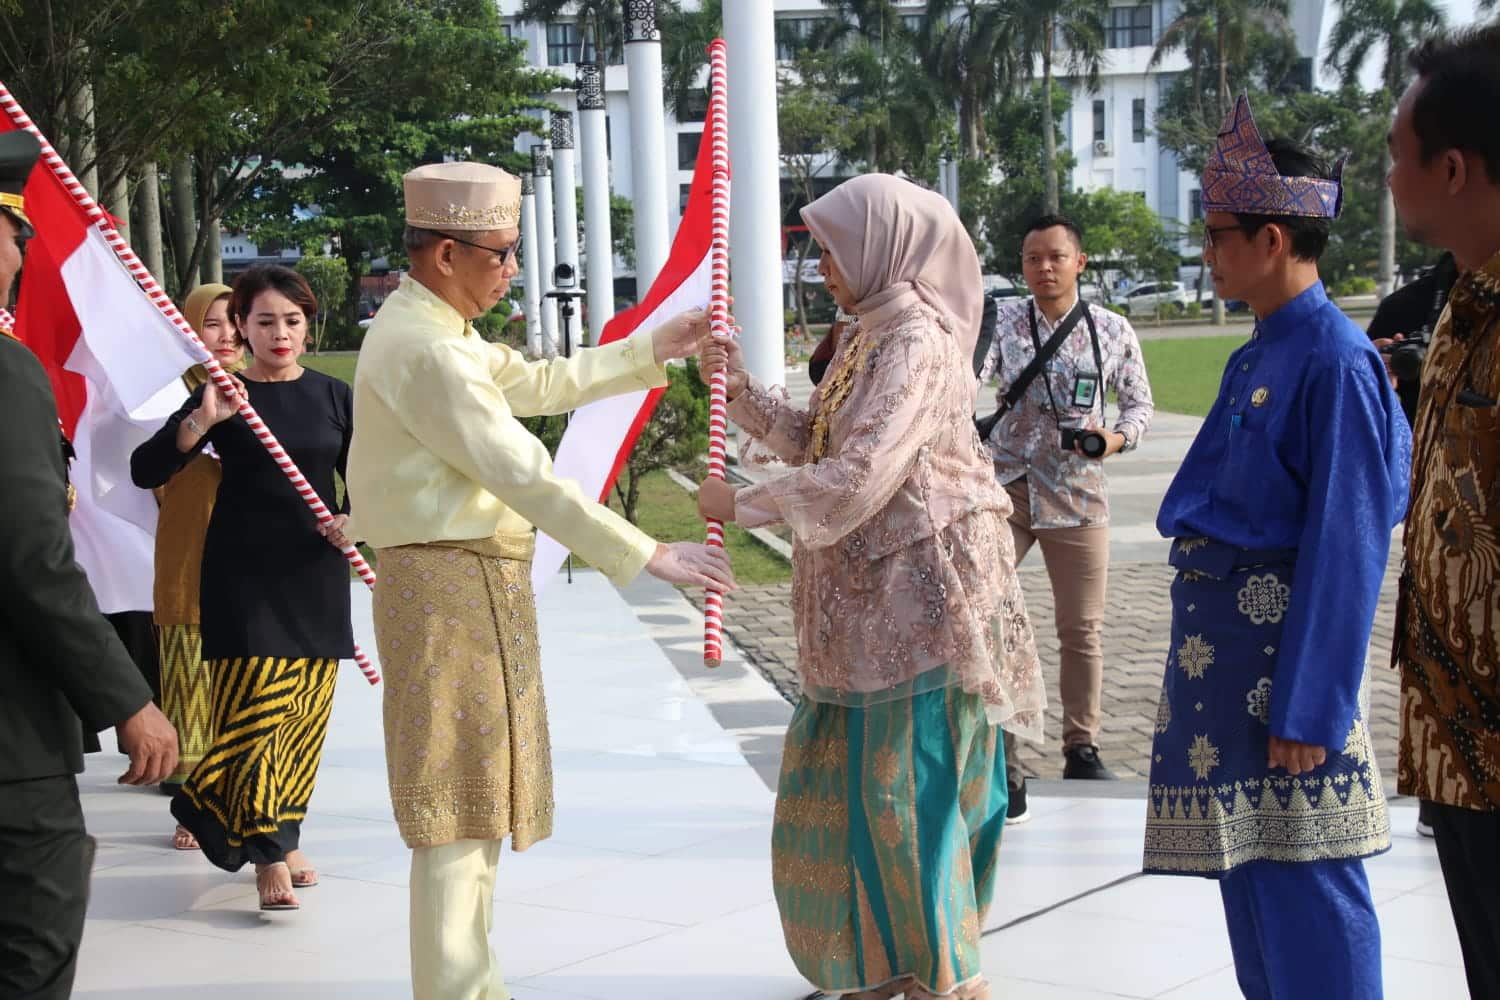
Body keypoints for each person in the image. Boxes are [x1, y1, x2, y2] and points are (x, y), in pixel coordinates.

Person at [346, 160, 736, 1000]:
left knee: (477, 798)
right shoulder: (428, 349)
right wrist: (648, 554)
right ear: (445, 252)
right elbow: (527, 474)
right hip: (449, 587)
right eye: (502, 252)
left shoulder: (431, 327)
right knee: (457, 802)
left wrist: (647, 351)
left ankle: (472, 982)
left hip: (464, 584)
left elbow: (526, 383)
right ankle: (456, 988)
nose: (513, 269)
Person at [697, 173, 1045, 1000]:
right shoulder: (868, 334)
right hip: (863, 600)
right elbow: (816, 439)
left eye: (831, 249)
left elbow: (860, 474)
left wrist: (742, 504)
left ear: (882, 245)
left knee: (909, 787)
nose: (823, 267)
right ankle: (883, 961)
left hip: (919, 599)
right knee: (863, 782)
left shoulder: (918, 341)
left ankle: (945, 975)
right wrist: (741, 387)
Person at [1145, 96, 1410, 1000]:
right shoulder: (1255, 355)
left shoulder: (1336, 360)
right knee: (1254, 887)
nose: (1208, 251)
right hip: (1226, 670)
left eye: (1219, 233)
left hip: (1280, 681)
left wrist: (1313, 704)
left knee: (1310, 887)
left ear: (1271, 240)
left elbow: (1350, 545)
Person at [0, 128, 179, 1000]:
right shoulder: (4, 373)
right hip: (10, 747)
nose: (24, 250)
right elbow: (32, 559)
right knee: (28, 953)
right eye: (14, 231)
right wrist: (127, 702)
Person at [132, 265, 354, 911]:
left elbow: (366, 481)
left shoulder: (336, 397)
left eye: (292, 320)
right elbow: (146, 467)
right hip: (241, 577)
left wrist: (353, 522)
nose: (280, 333)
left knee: (301, 722)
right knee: (254, 717)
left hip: (314, 575)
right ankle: (269, 857)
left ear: (309, 325)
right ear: (241, 328)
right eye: (264, 321)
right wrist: (200, 420)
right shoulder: (223, 392)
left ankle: (245, 818)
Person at [1386, 23, 1500, 999]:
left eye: (1397, 155)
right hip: (1458, 755)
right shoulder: (1464, 301)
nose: (1389, 175)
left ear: (1454, 168)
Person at [976, 213, 1156, 805]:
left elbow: (1139, 404)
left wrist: (1115, 438)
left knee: (1081, 630)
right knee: (986, 611)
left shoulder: (1112, 330)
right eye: (1032, 258)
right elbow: (968, 383)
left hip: (1078, 493)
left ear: (1080, 262)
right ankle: (998, 744)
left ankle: (1082, 746)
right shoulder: (1002, 323)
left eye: (1055, 256)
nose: (1043, 268)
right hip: (1008, 489)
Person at [149, 282, 244, 850]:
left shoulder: (261, 390)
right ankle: (193, 802)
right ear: (188, 328)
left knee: (242, 674)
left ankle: (240, 794)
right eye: (213, 323)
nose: (228, 334)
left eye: (236, 320)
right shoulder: (170, 396)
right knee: (191, 671)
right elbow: (147, 470)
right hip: (189, 549)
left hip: (249, 555)